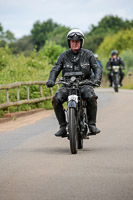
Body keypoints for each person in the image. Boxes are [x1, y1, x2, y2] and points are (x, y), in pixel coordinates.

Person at [46, 29, 102, 137]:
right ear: (69, 42)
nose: (75, 43)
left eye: (77, 41)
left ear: (81, 42)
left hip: (84, 84)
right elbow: (55, 68)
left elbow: (97, 68)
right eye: (72, 41)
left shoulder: (88, 54)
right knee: (55, 99)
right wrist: (51, 80)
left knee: (91, 97)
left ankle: (91, 124)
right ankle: (62, 126)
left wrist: (97, 79)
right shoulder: (63, 56)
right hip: (67, 85)